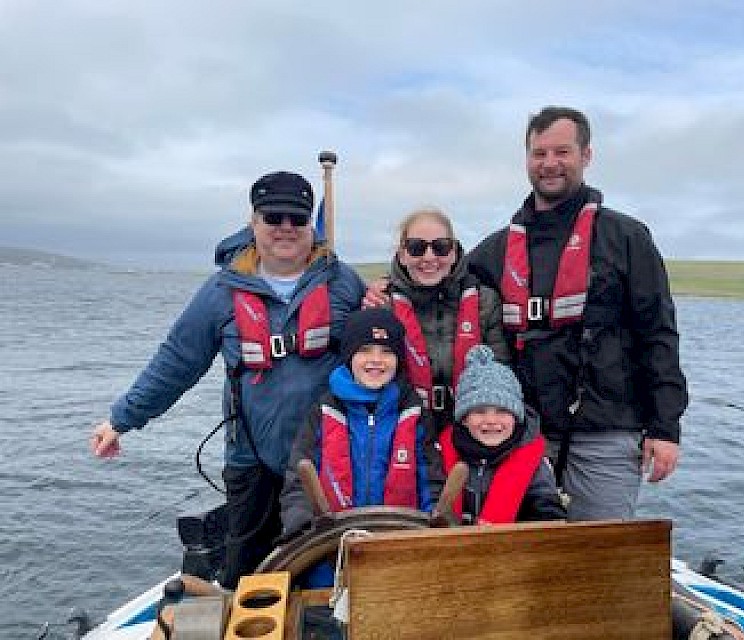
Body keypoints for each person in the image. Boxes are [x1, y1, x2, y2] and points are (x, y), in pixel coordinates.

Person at [89, 170, 365, 588]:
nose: (286, 228)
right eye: (274, 218)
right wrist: (122, 419)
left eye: (297, 219)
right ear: (253, 222)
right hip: (251, 458)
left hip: (328, 456)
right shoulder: (220, 292)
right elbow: (177, 362)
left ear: (312, 224)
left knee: (330, 571)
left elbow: (381, 353)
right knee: (247, 578)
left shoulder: (343, 283)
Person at [466, 106, 688, 521]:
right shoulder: (494, 251)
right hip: (524, 436)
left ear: (586, 156)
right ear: (527, 159)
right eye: (539, 153)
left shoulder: (627, 238)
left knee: (597, 564)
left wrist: (664, 428)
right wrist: (384, 289)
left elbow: (659, 334)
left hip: (608, 434)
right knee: (520, 562)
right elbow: (435, 277)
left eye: (562, 152)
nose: (550, 164)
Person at [279, 308, 436, 584]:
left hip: (401, 551)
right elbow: (297, 484)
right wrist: (302, 528)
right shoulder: (322, 412)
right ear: (349, 356)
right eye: (365, 350)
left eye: (386, 352)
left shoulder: (414, 413)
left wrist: (434, 529)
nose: (376, 360)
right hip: (329, 556)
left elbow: (431, 481)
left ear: (398, 360)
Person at [377, 207, 510, 437]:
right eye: (416, 248)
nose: (429, 258)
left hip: (471, 425)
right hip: (404, 425)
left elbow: (501, 371)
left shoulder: (485, 301)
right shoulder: (382, 306)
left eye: (440, 247)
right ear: (402, 254)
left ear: (455, 252)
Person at [436, 345, 566, 524]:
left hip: (514, 547)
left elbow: (546, 508)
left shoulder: (537, 462)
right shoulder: (441, 452)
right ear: (464, 419)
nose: (491, 420)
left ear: (516, 417)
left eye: (502, 411)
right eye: (480, 411)